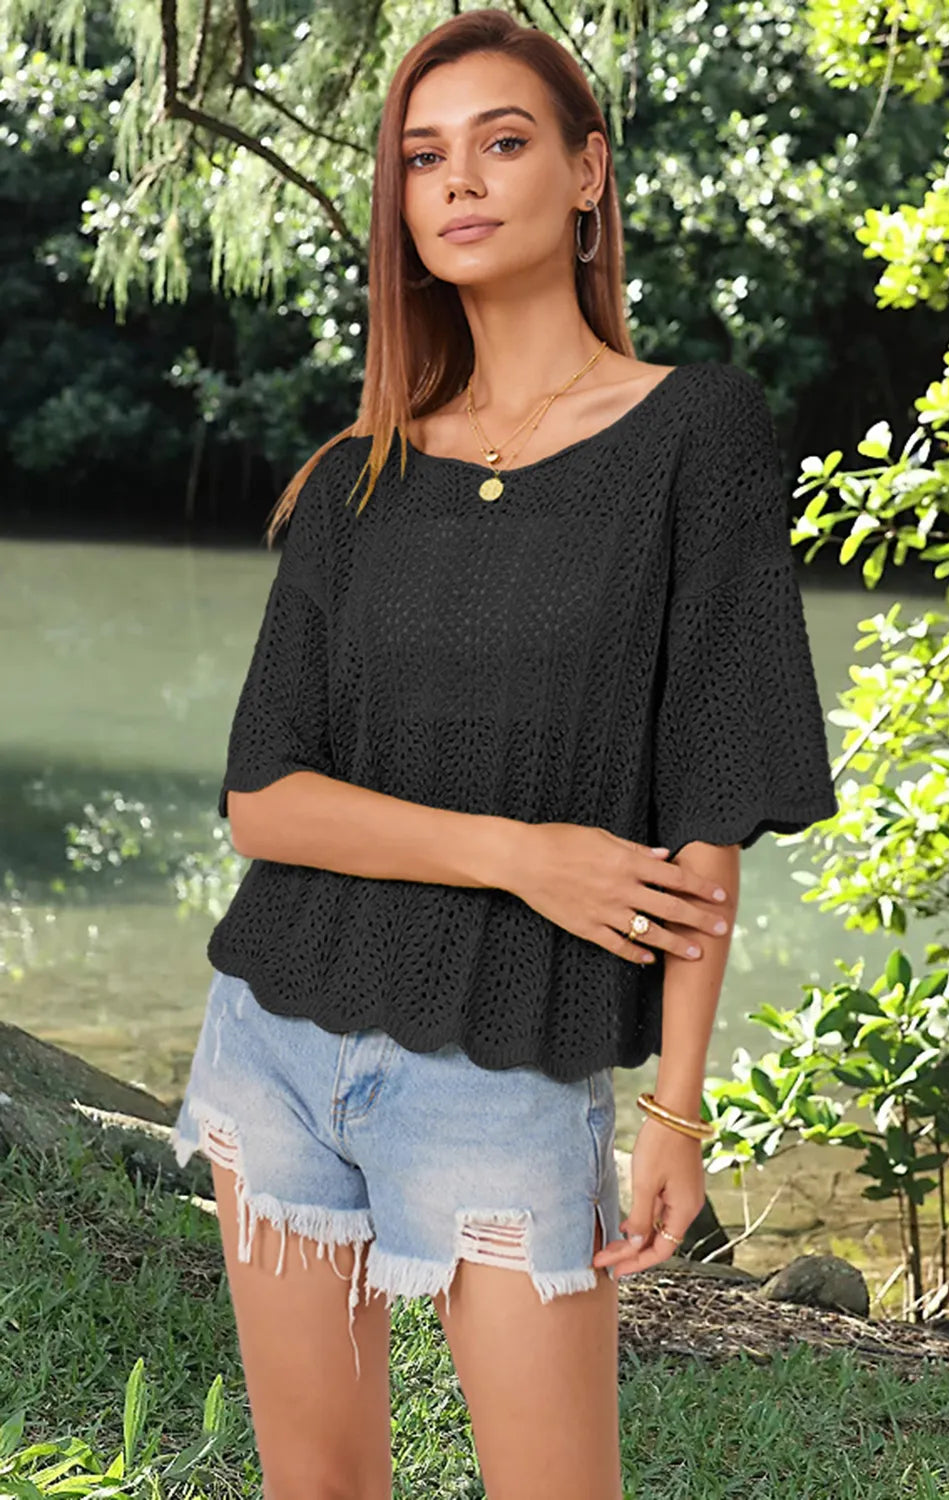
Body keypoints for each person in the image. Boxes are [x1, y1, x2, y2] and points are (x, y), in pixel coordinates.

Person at [168, 9, 839, 1499]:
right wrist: (521, 856)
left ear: (588, 173)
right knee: (315, 1489)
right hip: (276, 1043)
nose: (459, 181)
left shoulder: (697, 433)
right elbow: (264, 802)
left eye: (504, 141)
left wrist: (675, 1108)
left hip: (512, 1069)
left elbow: (710, 797)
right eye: (423, 157)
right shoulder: (357, 477)